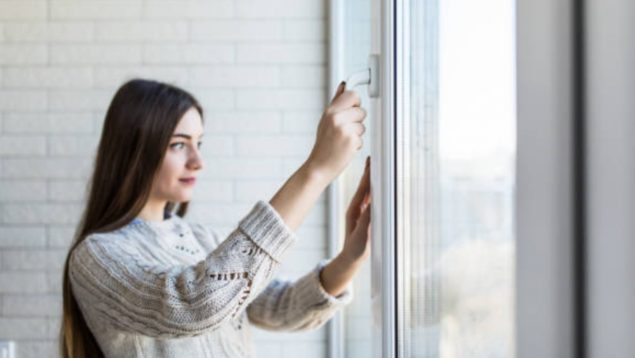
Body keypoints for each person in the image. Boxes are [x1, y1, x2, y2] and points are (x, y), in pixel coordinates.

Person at [59, 78, 371, 358]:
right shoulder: (96, 257)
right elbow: (194, 304)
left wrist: (351, 258)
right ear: (134, 150)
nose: (198, 162)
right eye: (179, 145)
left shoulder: (199, 238)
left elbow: (278, 305)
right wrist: (315, 173)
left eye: (199, 144)